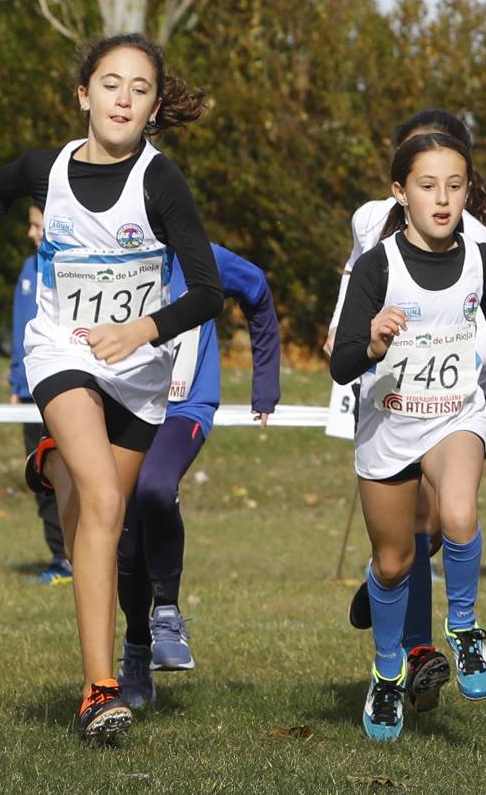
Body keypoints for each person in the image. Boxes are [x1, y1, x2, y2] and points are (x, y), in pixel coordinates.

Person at [0, 34, 224, 744]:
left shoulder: (161, 181)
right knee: (100, 502)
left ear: (154, 106)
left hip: (137, 371)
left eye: (139, 88)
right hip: (61, 347)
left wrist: (144, 330)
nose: (123, 98)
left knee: (105, 521)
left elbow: (210, 293)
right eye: (110, 83)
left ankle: (57, 462)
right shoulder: (47, 168)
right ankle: (99, 691)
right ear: (83, 95)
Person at [328, 131, 486, 740]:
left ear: (469, 191)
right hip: (389, 424)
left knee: (459, 515)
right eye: (427, 185)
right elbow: (341, 364)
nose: (442, 199)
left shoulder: (481, 258)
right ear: (400, 193)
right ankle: (388, 675)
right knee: (393, 564)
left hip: (454, 414)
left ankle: (463, 631)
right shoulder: (376, 265)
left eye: (455, 185)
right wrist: (374, 342)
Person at [125, 241, 281, 688]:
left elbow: (257, 292)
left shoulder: (203, 255)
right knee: (126, 536)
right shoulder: (108, 255)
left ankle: (168, 613)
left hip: (183, 407)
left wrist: (265, 383)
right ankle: (137, 649)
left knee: (155, 486)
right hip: (125, 406)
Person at [9, 202, 73, 585]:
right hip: (28, 393)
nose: (33, 233)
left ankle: (80, 556)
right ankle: (60, 558)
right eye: (31, 224)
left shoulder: (73, 268)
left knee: (73, 475)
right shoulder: (28, 267)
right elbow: (21, 330)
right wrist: (17, 383)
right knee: (42, 476)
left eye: (38, 225)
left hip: (62, 390)